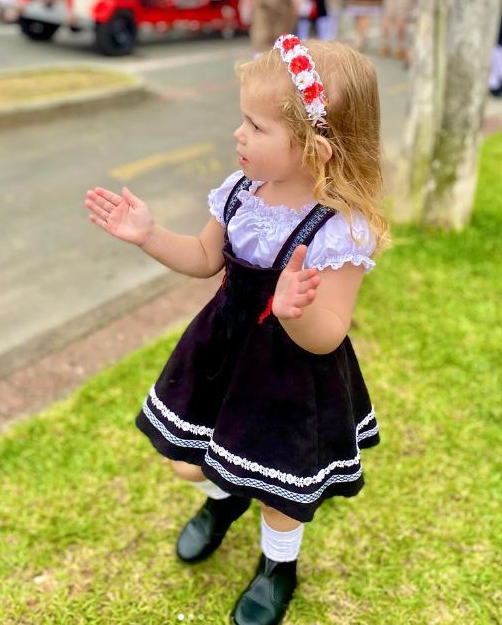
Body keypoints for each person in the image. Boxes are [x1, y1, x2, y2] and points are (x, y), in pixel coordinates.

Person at [85, 34, 386, 625]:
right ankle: (222, 501)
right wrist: (148, 234)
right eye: (241, 120)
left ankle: (278, 564)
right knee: (188, 460)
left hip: (291, 370)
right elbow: (204, 256)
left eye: (255, 126)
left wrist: (294, 310)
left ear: (317, 149)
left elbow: (328, 335)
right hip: (225, 352)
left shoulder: (338, 230)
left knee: (281, 487)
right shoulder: (241, 193)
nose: (237, 135)